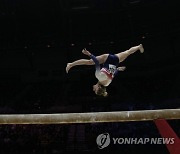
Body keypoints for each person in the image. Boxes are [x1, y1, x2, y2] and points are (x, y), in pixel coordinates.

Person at [66, 44, 144, 97]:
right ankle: (71, 64)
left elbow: (113, 73)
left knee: (128, 52)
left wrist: (118, 69)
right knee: (90, 62)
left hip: (115, 61)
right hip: (107, 59)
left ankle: (138, 47)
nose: (93, 89)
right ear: (99, 87)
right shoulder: (99, 76)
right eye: (95, 90)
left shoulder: (107, 84)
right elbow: (96, 62)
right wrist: (89, 54)